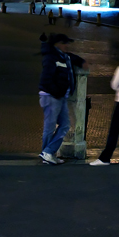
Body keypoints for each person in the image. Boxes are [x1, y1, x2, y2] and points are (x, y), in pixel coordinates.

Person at [37, 32, 78, 164]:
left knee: (65, 125)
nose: (67, 45)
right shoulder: (51, 57)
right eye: (65, 43)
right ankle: (47, 154)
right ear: (58, 44)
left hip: (59, 96)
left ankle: (48, 152)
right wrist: (57, 92)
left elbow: (73, 59)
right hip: (51, 96)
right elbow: (46, 79)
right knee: (49, 127)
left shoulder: (62, 56)